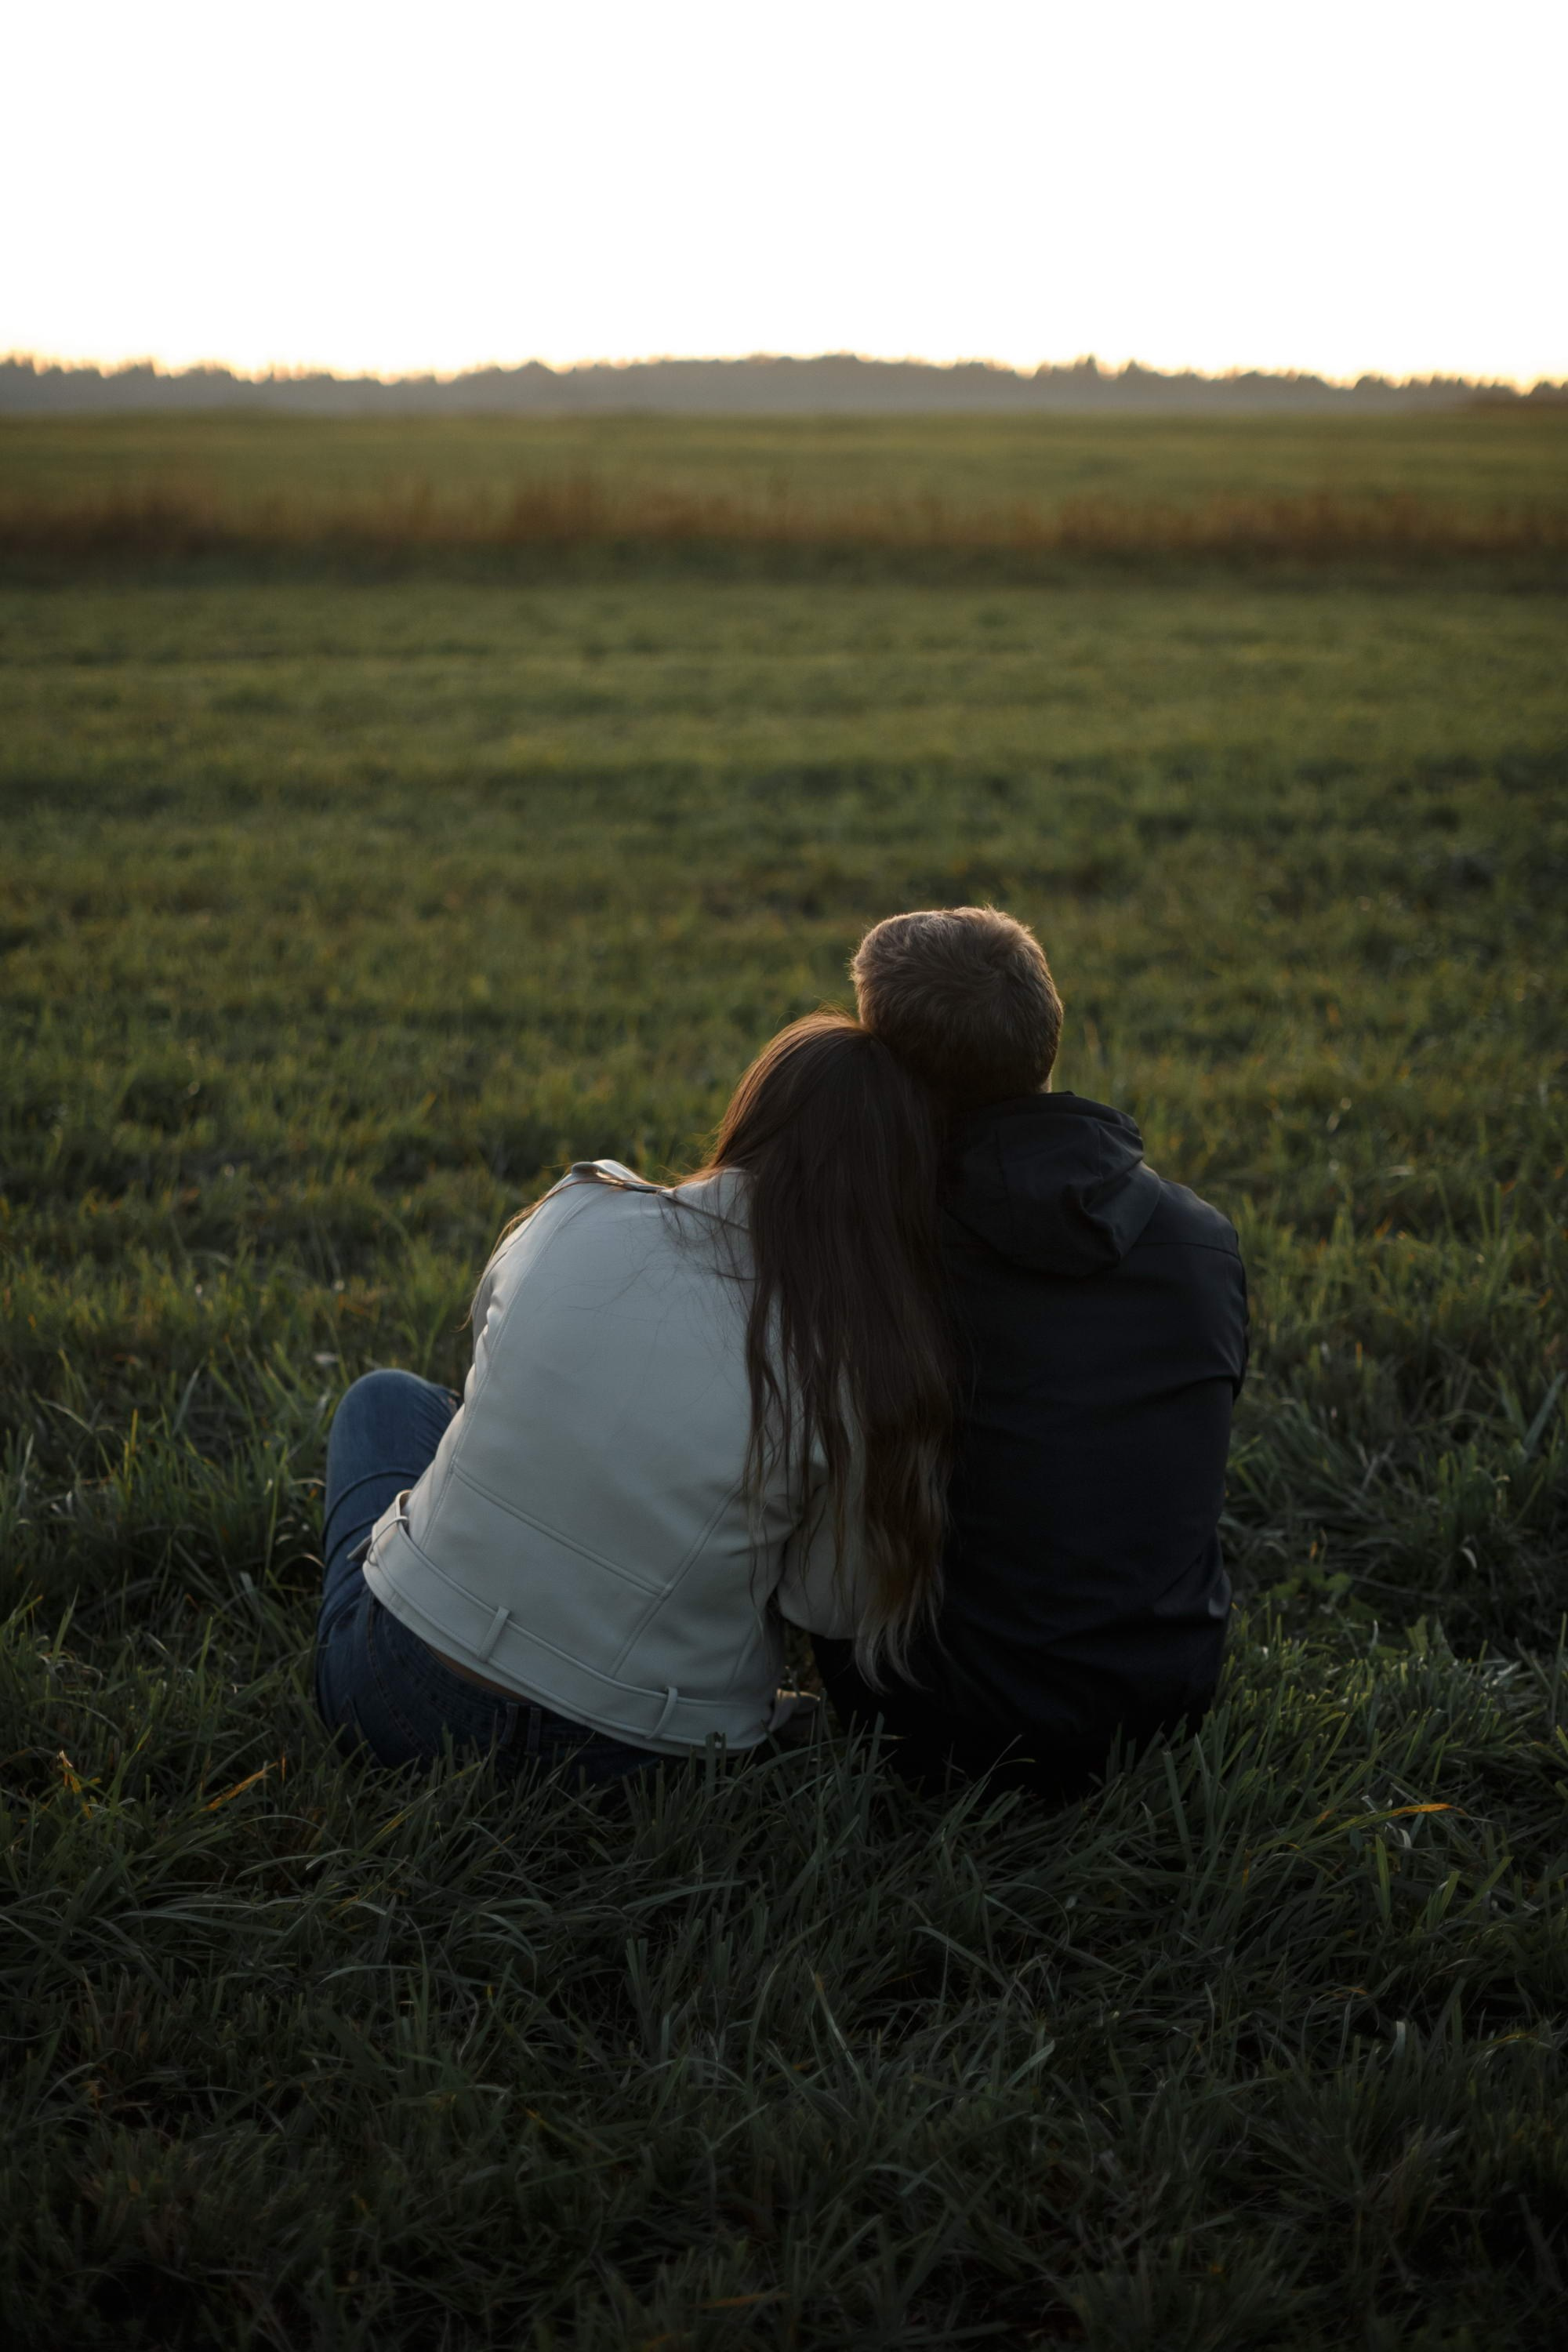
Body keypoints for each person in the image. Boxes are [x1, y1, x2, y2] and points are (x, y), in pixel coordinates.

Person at [314, 1014, 956, 1784]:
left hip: (388, 1704)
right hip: (640, 1759)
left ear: (752, 1112)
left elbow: (491, 1369)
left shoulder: (577, 1207)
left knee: (384, 1403)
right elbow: (826, 1605)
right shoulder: (862, 1365)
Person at [811, 906, 1250, 1802]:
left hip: (932, 1719)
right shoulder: (1200, 1240)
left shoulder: (884, 1248)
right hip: (1163, 1701)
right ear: (1047, 1034)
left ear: (882, 1064)